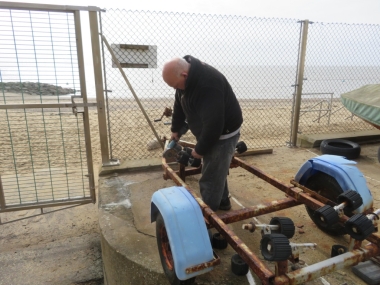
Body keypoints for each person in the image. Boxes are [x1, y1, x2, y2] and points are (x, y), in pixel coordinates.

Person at [162, 55, 243, 211]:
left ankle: (208, 216)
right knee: (216, 167)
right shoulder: (184, 81)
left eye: (176, 85)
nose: (176, 89)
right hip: (208, 127)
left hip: (223, 133)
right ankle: (223, 201)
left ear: (184, 75)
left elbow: (214, 126)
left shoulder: (208, 84)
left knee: (210, 178)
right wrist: (175, 128)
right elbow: (179, 102)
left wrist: (199, 150)